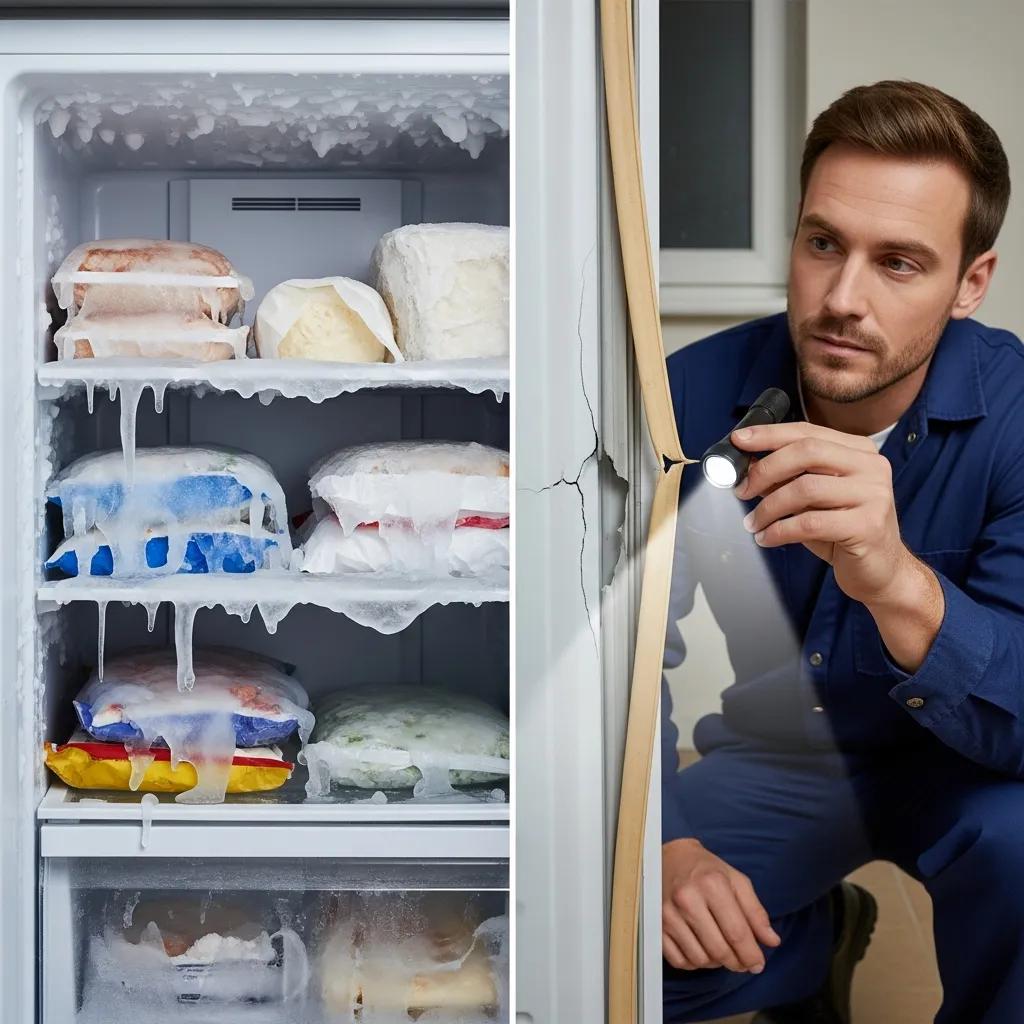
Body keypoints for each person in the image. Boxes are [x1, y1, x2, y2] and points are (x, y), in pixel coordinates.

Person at [661, 80, 1024, 1024]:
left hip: (977, 768)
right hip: (785, 757)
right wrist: (659, 842)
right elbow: (611, 650)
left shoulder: (1021, 417)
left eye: (899, 264)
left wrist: (896, 579)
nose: (842, 300)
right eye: (824, 244)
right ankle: (815, 942)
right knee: (609, 933)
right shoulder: (691, 395)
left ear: (970, 283)